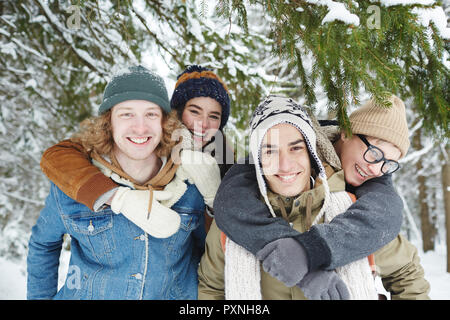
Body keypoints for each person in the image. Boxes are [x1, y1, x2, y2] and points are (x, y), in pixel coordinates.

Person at [213, 94, 430, 299]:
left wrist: (310, 251)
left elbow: (387, 217)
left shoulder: (365, 193)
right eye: (374, 153)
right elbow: (232, 198)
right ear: (346, 133)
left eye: (388, 164)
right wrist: (299, 263)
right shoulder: (290, 140)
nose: (376, 169)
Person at [27, 65, 216, 299]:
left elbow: (210, 254)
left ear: (164, 122)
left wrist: (214, 205)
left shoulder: (189, 182)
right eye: (126, 114)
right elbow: (43, 245)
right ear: (109, 122)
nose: (140, 127)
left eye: (151, 114)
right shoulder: (76, 182)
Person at [38, 65, 234, 232]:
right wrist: (114, 196)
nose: (203, 123)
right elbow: (57, 155)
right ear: (175, 112)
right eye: (194, 112)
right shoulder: (151, 141)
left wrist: (214, 203)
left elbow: (212, 244)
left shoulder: (226, 162)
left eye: (214, 116)